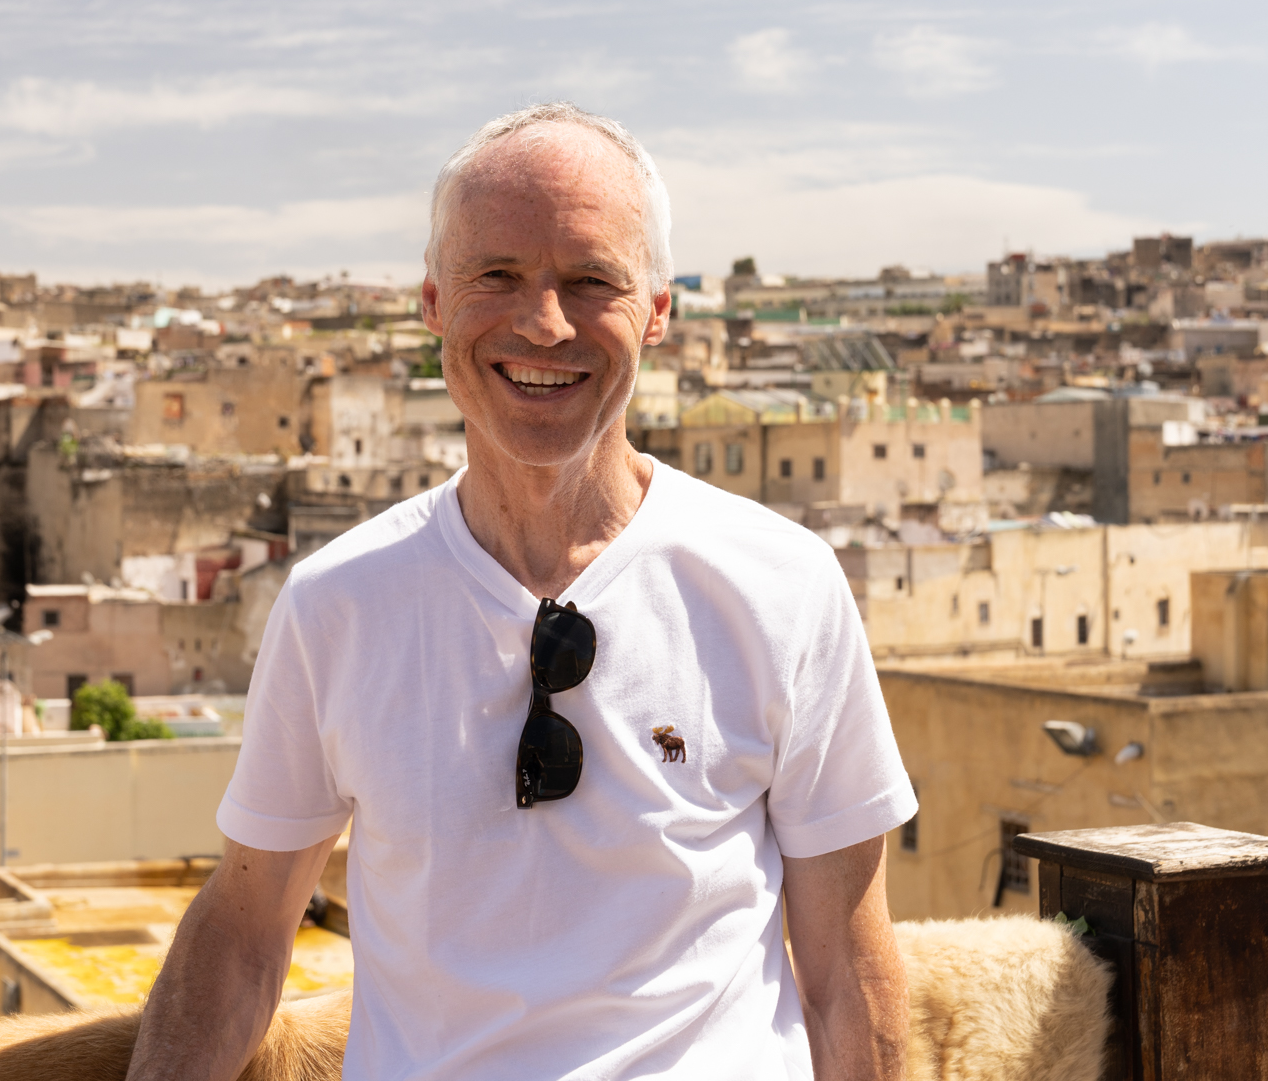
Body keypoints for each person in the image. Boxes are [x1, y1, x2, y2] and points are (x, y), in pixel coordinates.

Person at [128, 103, 918, 1081]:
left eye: (591, 281)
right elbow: (244, 937)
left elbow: (849, 967)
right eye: (495, 276)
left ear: (660, 312)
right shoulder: (338, 605)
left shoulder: (780, 586)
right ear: (431, 302)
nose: (543, 323)